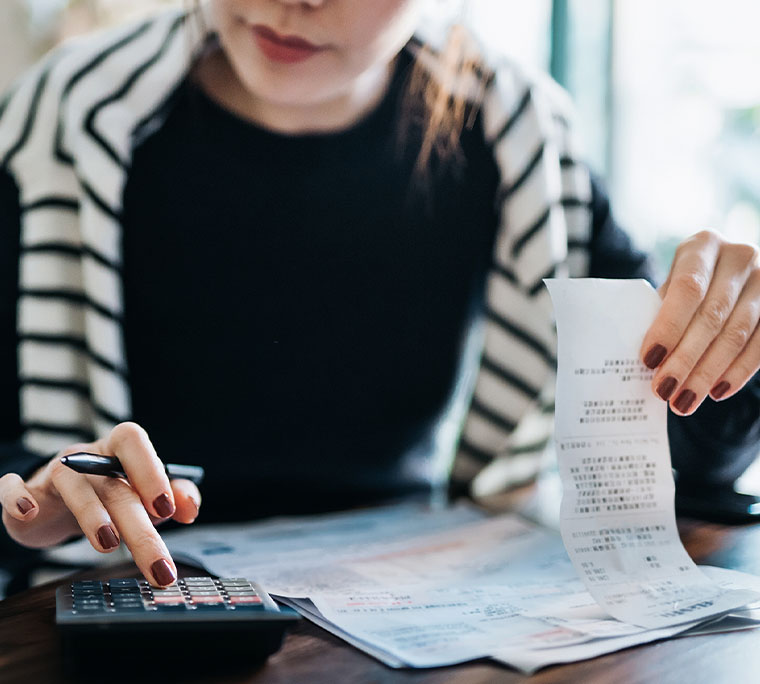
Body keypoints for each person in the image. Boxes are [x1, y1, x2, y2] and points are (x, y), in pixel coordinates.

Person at [0, 0, 758, 589]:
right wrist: (30, 507)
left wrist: (729, 343)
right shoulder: (59, 129)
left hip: (414, 608)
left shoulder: (522, 140)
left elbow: (679, 457)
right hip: (134, 615)